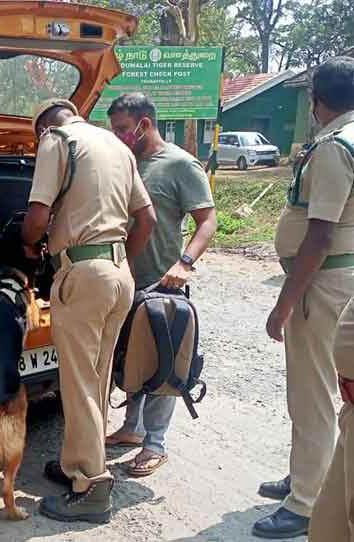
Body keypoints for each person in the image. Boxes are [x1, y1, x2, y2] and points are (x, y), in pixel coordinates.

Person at [22, 98, 156, 522]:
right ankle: (75, 464)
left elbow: (37, 217)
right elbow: (147, 218)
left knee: (78, 383)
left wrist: (27, 242)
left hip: (83, 273)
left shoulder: (56, 140)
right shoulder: (116, 144)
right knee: (95, 381)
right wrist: (119, 264)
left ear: (44, 126)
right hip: (118, 274)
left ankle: (92, 487)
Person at [256, 56, 354, 539]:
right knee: (322, 391)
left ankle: (307, 502)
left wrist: (284, 303)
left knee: (312, 393)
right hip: (340, 279)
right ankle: (307, 476)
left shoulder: (337, 147)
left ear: (318, 100)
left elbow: (319, 233)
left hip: (324, 283)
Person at [105, 93, 217, 477]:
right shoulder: (123, 162)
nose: (118, 136)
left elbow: (208, 221)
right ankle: (131, 429)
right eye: (114, 129)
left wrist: (185, 263)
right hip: (123, 281)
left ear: (145, 124)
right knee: (128, 359)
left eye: (122, 129)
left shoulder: (180, 165)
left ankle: (156, 443)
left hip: (162, 283)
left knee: (160, 363)